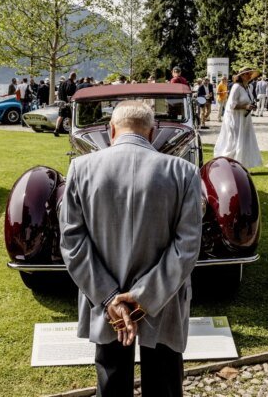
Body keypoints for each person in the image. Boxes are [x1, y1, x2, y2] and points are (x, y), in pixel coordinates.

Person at [60, 100, 202, 397]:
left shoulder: (81, 168)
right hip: (164, 299)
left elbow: (72, 241)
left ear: (111, 130)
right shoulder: (184, 171)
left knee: (111, 381)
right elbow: (187, 246)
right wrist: (143, 298)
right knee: (164, 384)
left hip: (105, 301)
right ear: (152, 133)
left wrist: (109, 297)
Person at [214, 68, 263, 169]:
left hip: (244, 119)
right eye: (247, 74)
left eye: (250, 74)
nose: (249, 76)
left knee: (244, 141)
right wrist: (245, 106)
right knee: (234, 142)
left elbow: (248, 101)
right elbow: (231, 105)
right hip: (235, 119)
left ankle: (242, 165)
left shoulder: (248, 87)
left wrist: (251, 106)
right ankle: (227, 165)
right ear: (241, 76)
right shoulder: (236, 87)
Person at [54, 72, 78, 136]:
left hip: (61, 102)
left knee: (60, 116)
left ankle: (56, 129)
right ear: (74, 77)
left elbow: (59, 93)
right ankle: (71, 131)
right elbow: (70, 94)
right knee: (70, 116)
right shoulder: (72, 84)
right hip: (68, 103)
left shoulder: (62, 83)